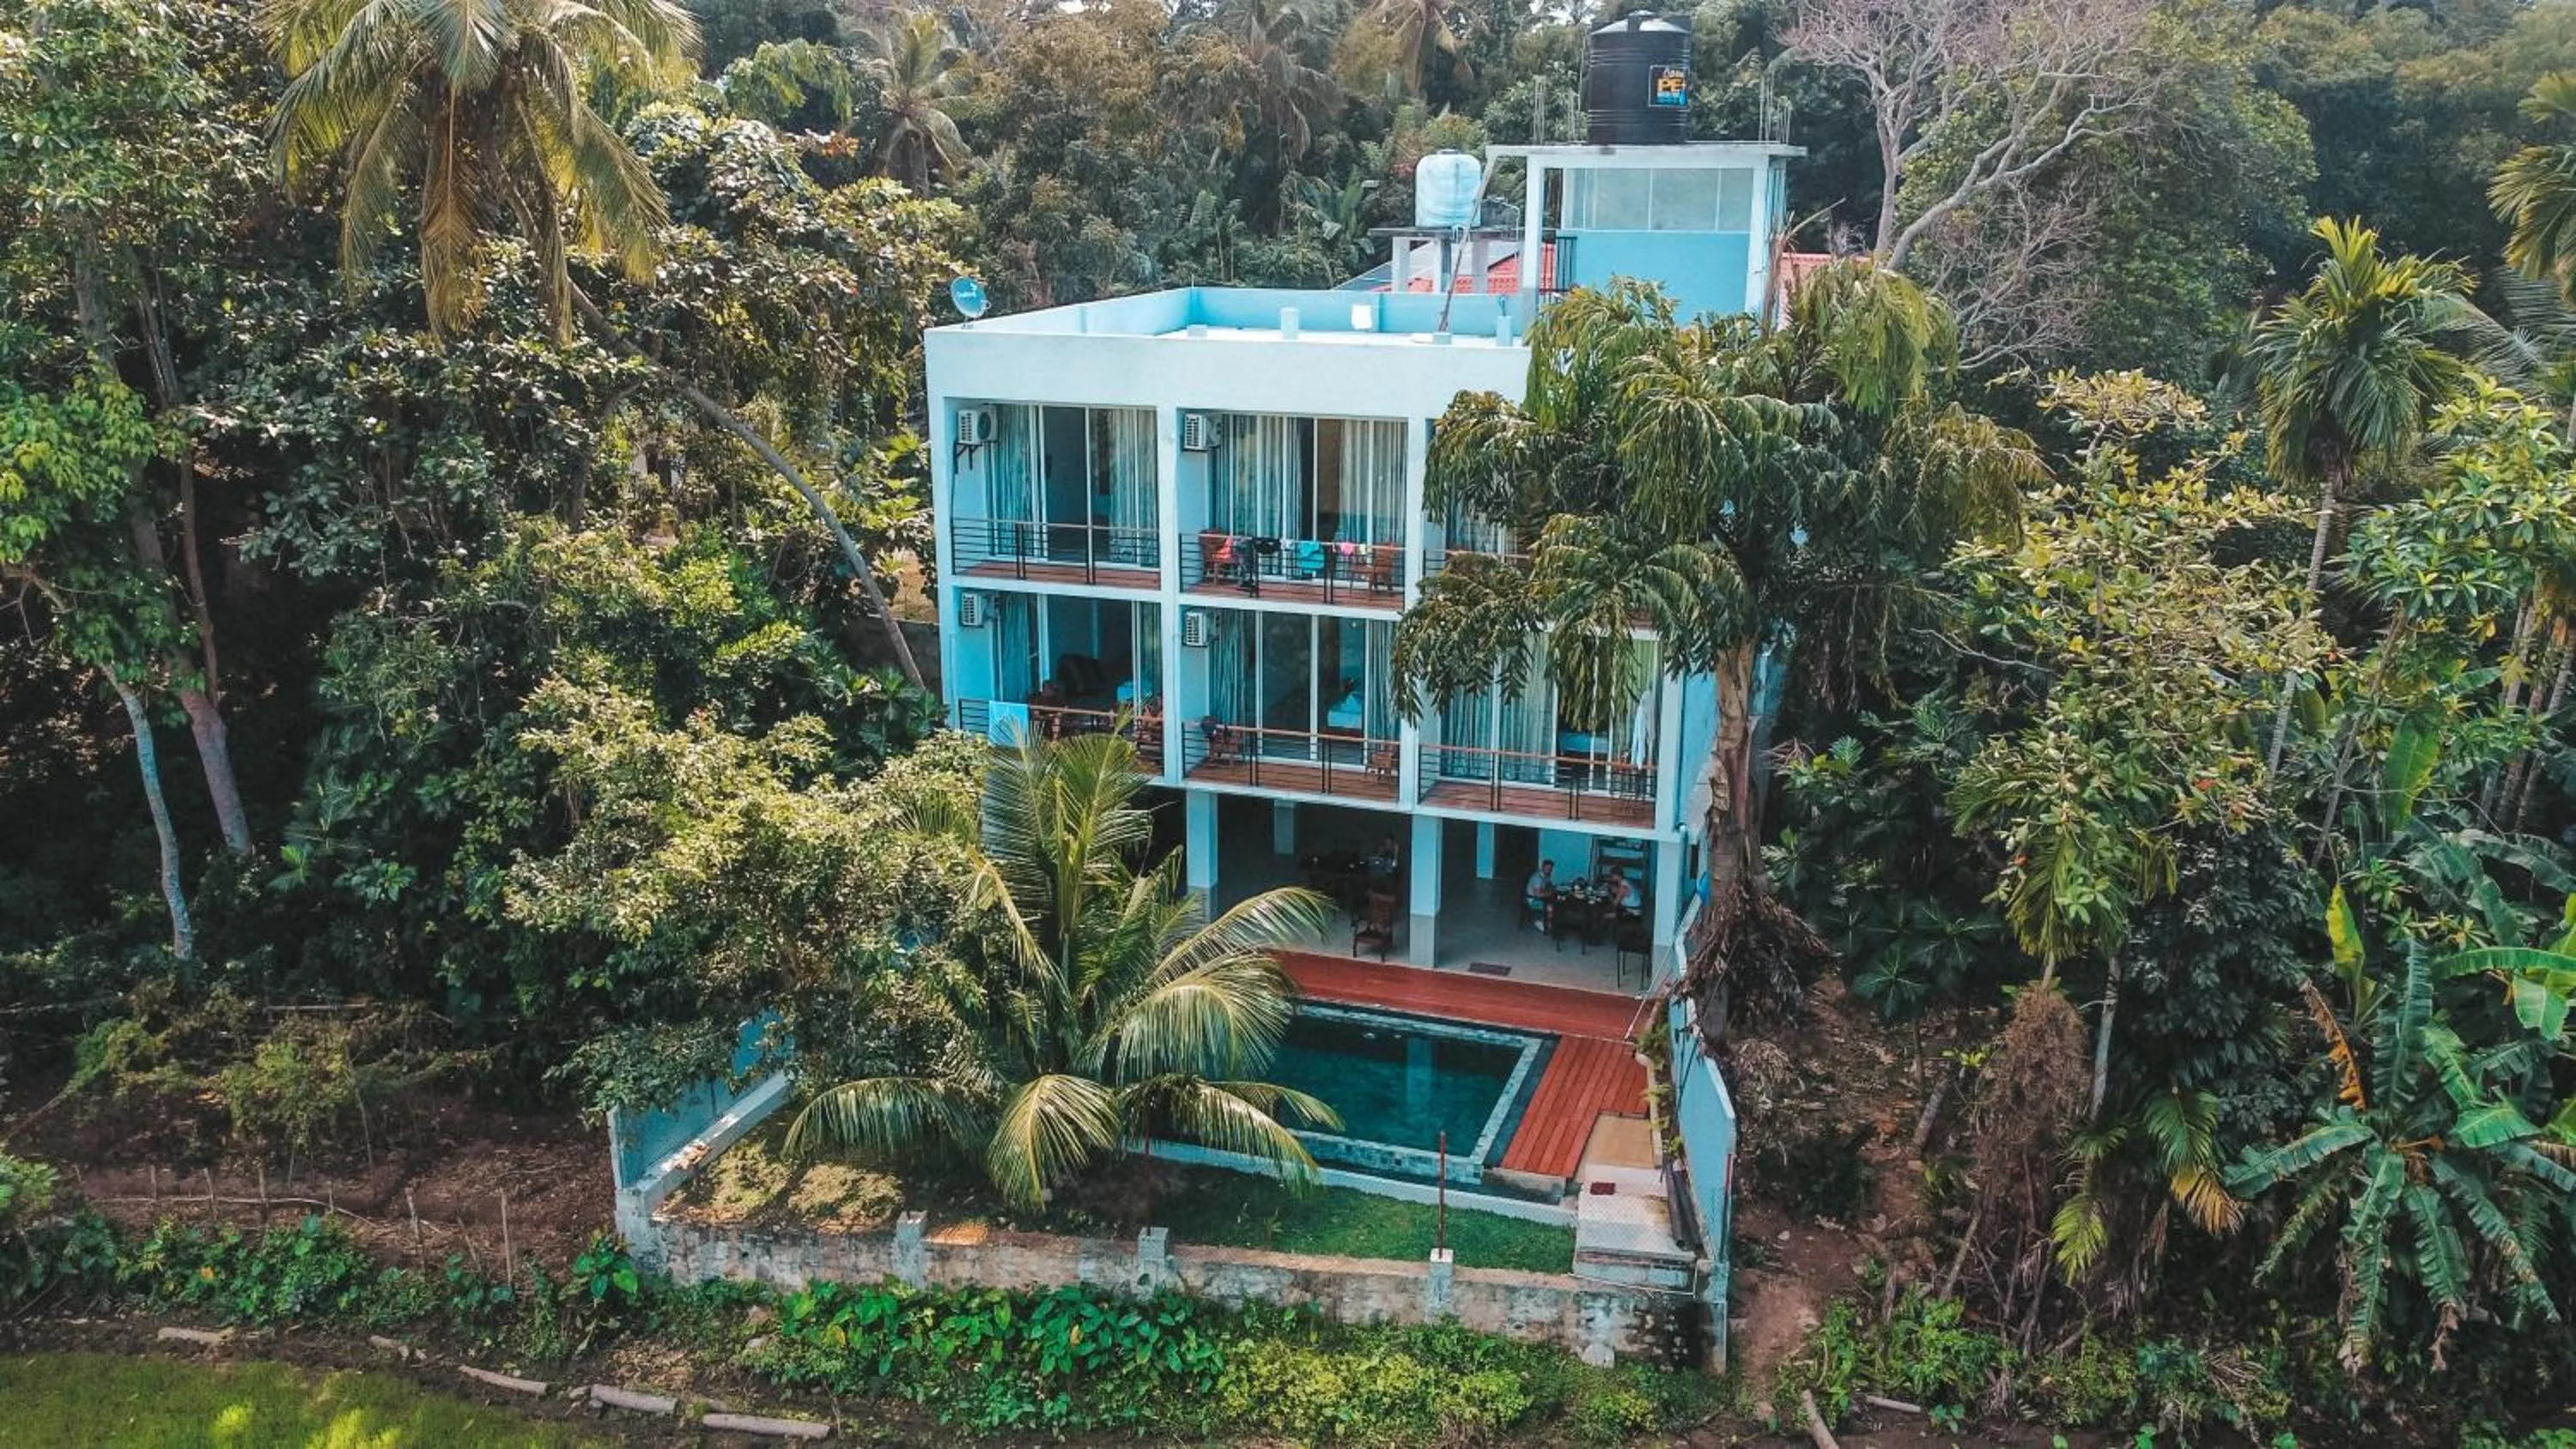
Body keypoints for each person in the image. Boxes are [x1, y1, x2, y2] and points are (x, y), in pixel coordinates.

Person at [1523, 859, 1556, 931]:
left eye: (1550, 869)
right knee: (1551, 906)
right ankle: (1541, 922)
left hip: (1538, 898)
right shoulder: (1537, 878)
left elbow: (1549, 885)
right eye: (1547, 868)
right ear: (1542, 867)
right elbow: (1538, 895)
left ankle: (1548, 921)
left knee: (1555, 901)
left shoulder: (1546, 876)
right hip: (1531, 900)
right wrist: (1550, 893)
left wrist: (1553, 889)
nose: (1549, 870)